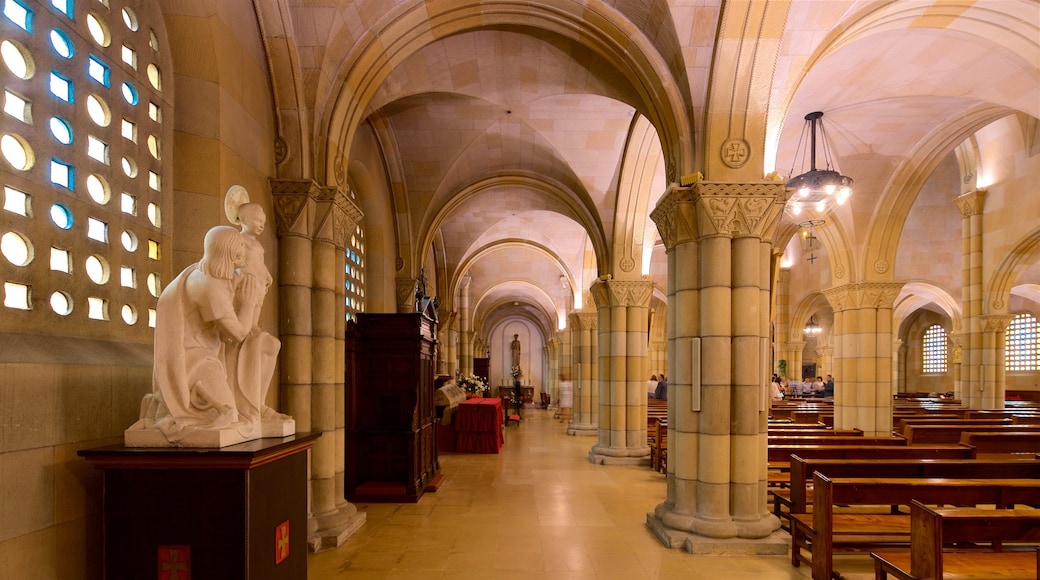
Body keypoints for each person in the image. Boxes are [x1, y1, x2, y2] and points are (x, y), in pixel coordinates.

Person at [128, 225, 289, 445]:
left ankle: (256, 407)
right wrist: (249, 302)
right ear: (229, 253)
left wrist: (250, 291)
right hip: (192, 360)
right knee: (228, 415)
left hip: (211, 354)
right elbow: (239, 333)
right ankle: (203, 403)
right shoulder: (206, 286)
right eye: (239, 252)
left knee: (269, 344)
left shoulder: (210, 276)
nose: (242, 257)